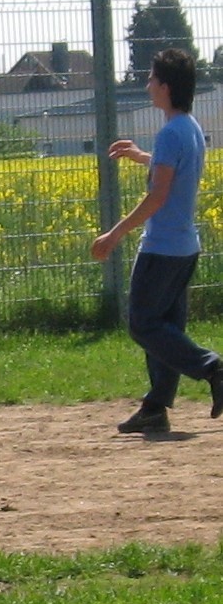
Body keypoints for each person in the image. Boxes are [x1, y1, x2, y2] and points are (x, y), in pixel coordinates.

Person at [91, 48, 221, 435]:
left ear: (165, 87)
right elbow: (173, 171)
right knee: (166, 329)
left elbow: (158, 196)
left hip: (161, 248)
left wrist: (115, 234)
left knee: (143, 324)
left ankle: (214, 368)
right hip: (185, 247)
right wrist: (141, 156)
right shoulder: (190, 128)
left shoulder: (170, 132)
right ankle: (155, 407)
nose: (147, 84)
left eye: (151, 79)